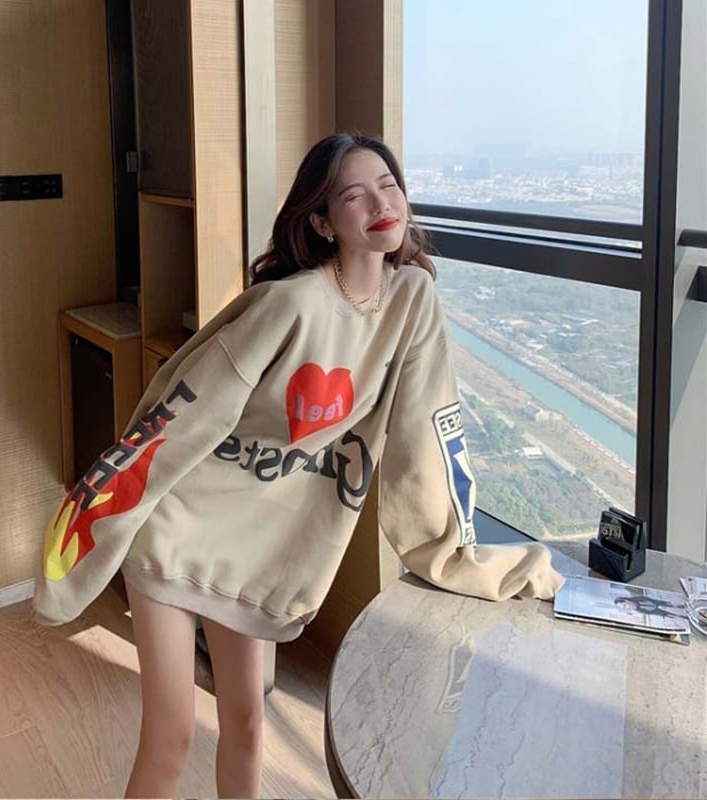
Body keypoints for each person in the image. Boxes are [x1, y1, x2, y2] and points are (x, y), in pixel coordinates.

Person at [33, 133, 564, 798]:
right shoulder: (290, 305)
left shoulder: (412, 302)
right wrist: (94, 520)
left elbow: (425, 437)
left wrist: (455, 554)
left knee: (249, 725)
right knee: (172, 735)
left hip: (258, 550)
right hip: (179, 529)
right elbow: (180, 416)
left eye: (388, 186)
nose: (380, 204)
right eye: (354, 195)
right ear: (322, 221)